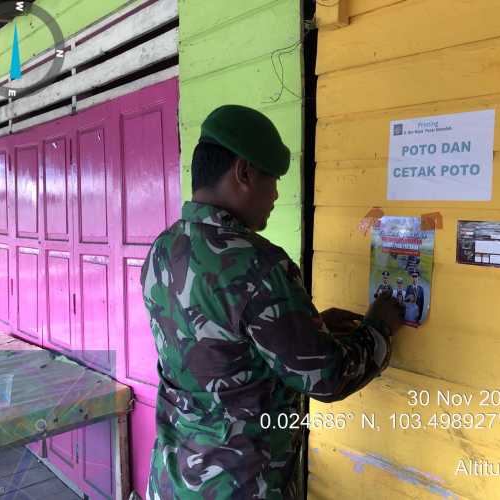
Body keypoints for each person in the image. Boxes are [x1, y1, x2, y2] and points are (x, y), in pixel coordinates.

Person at [140, 105, 404, 500]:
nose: (277, 194)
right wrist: (379, 329)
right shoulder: (258, 264)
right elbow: (327, 377)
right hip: (242, 486)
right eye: (273, 179)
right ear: (244, 172)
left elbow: (219, 350)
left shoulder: (162, 249)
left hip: (174, 479)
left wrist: (309, 328)